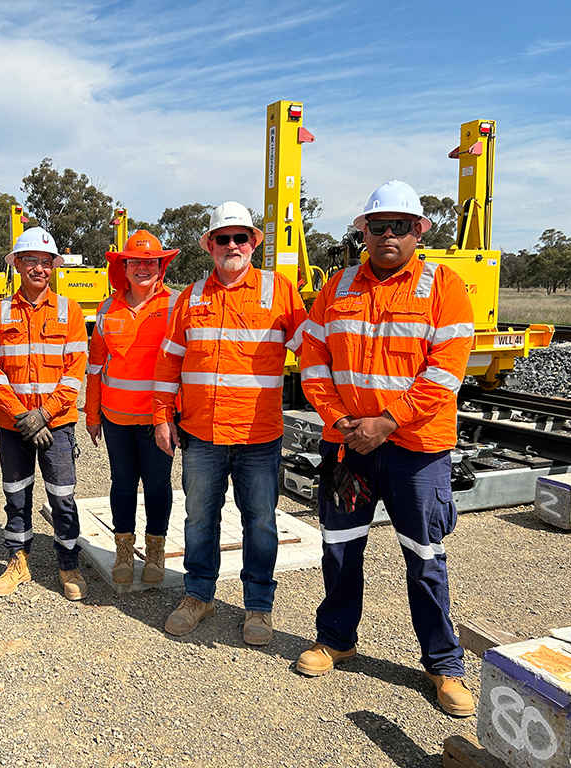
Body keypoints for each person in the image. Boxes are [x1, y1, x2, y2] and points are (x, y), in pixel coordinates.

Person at [296, 180, 476, 717]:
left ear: (419, 230)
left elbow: (446, 373)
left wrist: (387, 421)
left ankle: (443, 667)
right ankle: (336, 639)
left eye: (401, 225)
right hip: (349, 444)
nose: (389, 235)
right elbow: (313, 359)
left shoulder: (446, 285)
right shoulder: (337, 286)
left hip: (416, 450)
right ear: (363, 232)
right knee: (341, 546)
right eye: (379, 226)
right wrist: (342, 420)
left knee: (425, 558)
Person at [153, 202, 308, 646]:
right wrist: (163, 416)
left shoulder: (278, 291)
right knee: (200, 517)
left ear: (254, 243)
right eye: (223, 238)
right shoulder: (192, 296)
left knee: (260, 521)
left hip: (258, 435)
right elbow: (170, 363)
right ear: (210, 246)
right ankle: (198, 596)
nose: (233, 246)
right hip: (202, 434)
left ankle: (258, 607)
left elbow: (312, 351)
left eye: (241, 237)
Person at [0, 227, 89, 601]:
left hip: (56, 424)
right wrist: (22, 416)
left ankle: (68, 564)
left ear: (54, 267)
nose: (40, 269)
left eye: (46, 262)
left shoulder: (69, 311)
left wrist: (43, 414)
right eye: (32, 260)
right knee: (16, 494)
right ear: (18, 264)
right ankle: (18, 561)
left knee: (62, 496)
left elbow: (74, 372)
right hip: (14, 426)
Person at [85, 230, 180, 586]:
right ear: (123, 267)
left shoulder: (175, 305)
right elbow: (95, 368)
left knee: (157, 485)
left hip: (158, 419)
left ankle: (156, 551)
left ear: (161, 266)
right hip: (116, 417)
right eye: (135, 262)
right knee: (122, 483)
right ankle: (123, 549)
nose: (143, 268)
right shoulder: (107, 309)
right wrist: (92, 415)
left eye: (150, 261)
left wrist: (173, 416)